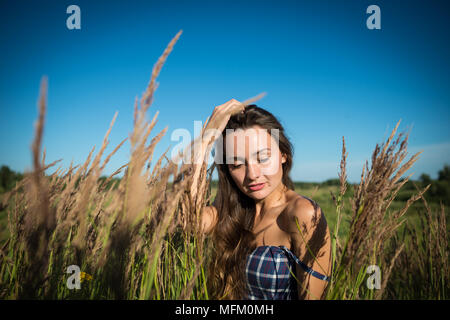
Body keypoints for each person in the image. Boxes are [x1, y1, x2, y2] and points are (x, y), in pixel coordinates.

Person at [189, 99, 331, 300]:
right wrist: (205, 140)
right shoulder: (227, 210)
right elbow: (187, 222)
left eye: (263, 158)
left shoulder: (302, 213)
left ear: (283, 155)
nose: (253, 174)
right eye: (237, 164)